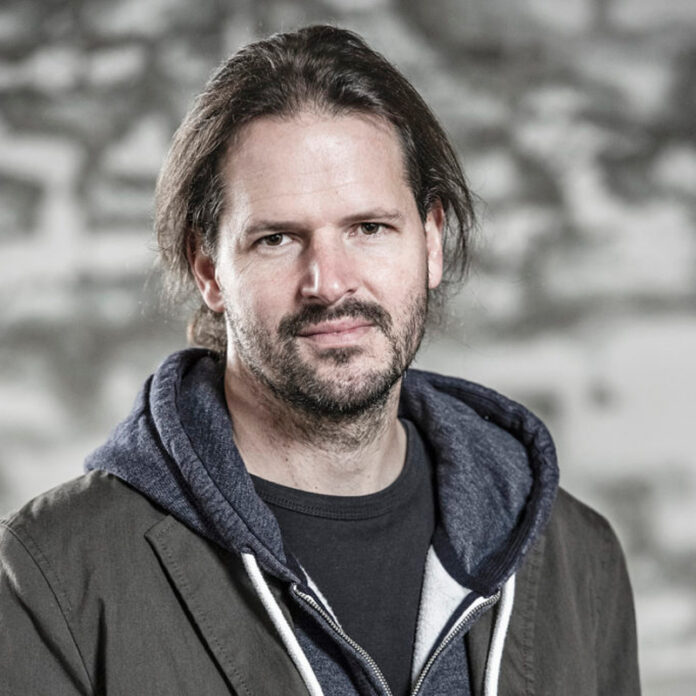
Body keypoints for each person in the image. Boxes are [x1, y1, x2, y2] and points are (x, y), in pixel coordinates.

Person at [0, 25, 640, 696]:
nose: (330, 282)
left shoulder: (574, 559)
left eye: (369, 228)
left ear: (431, 242)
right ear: (208, 269)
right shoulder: (53, 579)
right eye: (277, 239)